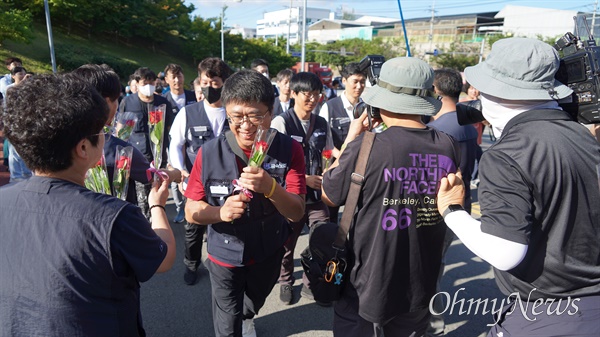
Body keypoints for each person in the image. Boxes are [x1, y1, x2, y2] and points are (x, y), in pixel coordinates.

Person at [437, 37, 600, 337]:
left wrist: (452, 210)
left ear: (498, 92)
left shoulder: (506, 155)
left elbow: (505, 252)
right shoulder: (583, 136)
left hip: (548, 314)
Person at [0, 73, 176, 336]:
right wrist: (157, 206)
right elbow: (163, 258)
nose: (106, 135)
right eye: (102, 131)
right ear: (83, 147)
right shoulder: (113, 216)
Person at [322, 57, 460, 337]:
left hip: (366, 281)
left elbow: (329, 195)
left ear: (381, 101)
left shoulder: (367, 145)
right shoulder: (447, 144)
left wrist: (351, 138)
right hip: (420, 278)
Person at [184, 69, 306, 337]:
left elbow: (297, 211)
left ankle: (248, 316)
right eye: (237, 117)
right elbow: (191, 211)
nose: (246, 125)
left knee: (253, 302)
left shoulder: (290, 149)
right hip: (225, 255)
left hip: (269, 248)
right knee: (227, 325)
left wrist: (271, 188)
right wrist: (220, 212)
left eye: (255, 116)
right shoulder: (209, 152)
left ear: (271, 112)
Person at [72, 64, 180, 205]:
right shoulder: (117, 148)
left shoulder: (67, 139)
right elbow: (152, 176)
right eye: (115, 99)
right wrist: (174, 174)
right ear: (104, 102)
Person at [169, 57, 232, 286]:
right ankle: (191, 263)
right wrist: (181, 172)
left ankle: (222, 265)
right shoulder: (188, 113)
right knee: (193, 227)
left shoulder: (234, 113)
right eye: (205, 82)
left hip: (227, 183)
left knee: (225, 225)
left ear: (224, 83)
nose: (208, 87)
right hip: (195, 182)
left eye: (214, 83)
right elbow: (175, 144)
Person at [426, 68, 478, 336]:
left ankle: (431, 321)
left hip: (437, 209)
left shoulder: (437, 129)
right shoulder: (466, 123)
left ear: (435, 91)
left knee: (426, 268)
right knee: (437, 265)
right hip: (461, 204)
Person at [270, 72, 331, 305]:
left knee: (322, 237)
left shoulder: (322, 124)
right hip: (290, 196)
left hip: (316, 198)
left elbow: (329, 154)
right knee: (287, 244)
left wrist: (329, 171)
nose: (312, 99)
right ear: (293, 94)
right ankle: (285, 281)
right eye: (307, 94)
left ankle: (310, 281)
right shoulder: (281, 122)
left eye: (317, 94)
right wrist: (304, 179)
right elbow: (273, 164)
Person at [119, 67, 173, 218]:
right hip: (138, 158)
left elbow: (168, 130)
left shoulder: (162, 103)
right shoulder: (128, 102)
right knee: (141, 198)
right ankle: (145, 222)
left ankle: (158, 222)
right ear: (137, 83)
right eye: (145, 82)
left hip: (158, 158)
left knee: (158, 195)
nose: (148, 85)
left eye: (151, 82)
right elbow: (121, 132)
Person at [319, 62, 366, 223]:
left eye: (362, 81)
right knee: (331, 215)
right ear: (344, 81)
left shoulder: (367, 108)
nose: (359, 86)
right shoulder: (330, 107)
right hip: (337, 169)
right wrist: (345, 157)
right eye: (355, 81)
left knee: (359, 215)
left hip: (362, 169)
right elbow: (325, 142)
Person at [162, 63, 197, 224]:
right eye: (173, 77)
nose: (177, 80)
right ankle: (179, 208)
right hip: (173, 146)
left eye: (179, 76)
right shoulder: (164, 101)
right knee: (177, 177)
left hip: (192, 145)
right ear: (167, 80)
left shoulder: (192, 97)